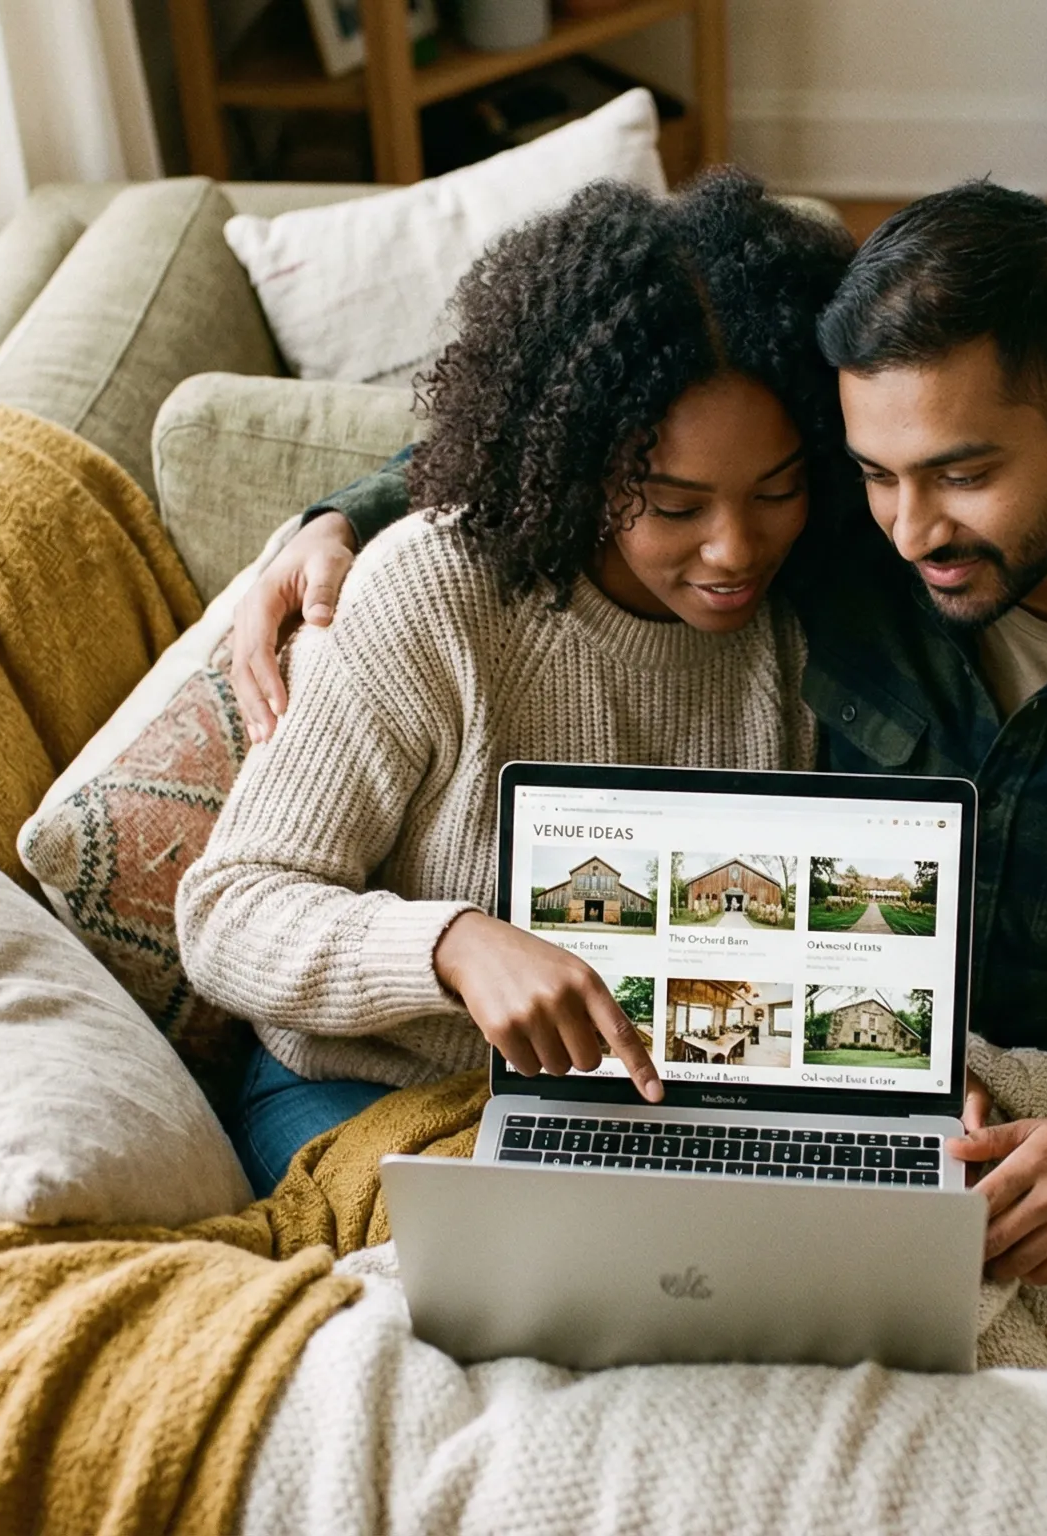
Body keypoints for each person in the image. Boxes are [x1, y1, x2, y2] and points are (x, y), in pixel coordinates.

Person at [233, 182, 1047, 1284]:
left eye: (962, 473)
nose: (913, 529)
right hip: (523, 1091)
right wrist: (342, 517)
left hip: (985, 1122)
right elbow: (594, 422)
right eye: (870, 471)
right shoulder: (828, 538)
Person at [178, 170, 854, 1195]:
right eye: (673, 507)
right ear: (577, 467)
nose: (733, 551)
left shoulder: (815, 609)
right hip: (378, 1090)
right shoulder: (432, 593)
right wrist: (450, 946)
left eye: (777, 490)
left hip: (663, 1105)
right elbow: (226, 913)